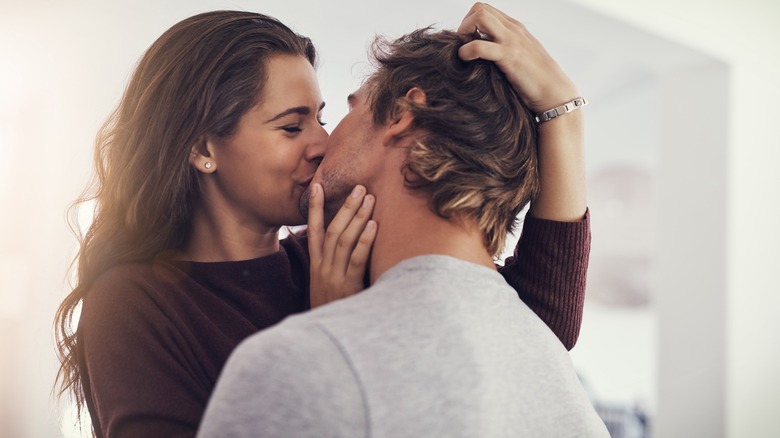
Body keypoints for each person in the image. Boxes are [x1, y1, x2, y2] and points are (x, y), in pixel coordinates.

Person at [53, 5, 590, 438]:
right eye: (291, 127)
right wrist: (331, 332)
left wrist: (562, 117)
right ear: (201, 147)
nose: (321, 143)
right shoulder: (134, 303)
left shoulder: (336, 246)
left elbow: (528, 324)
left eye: (323, 117)